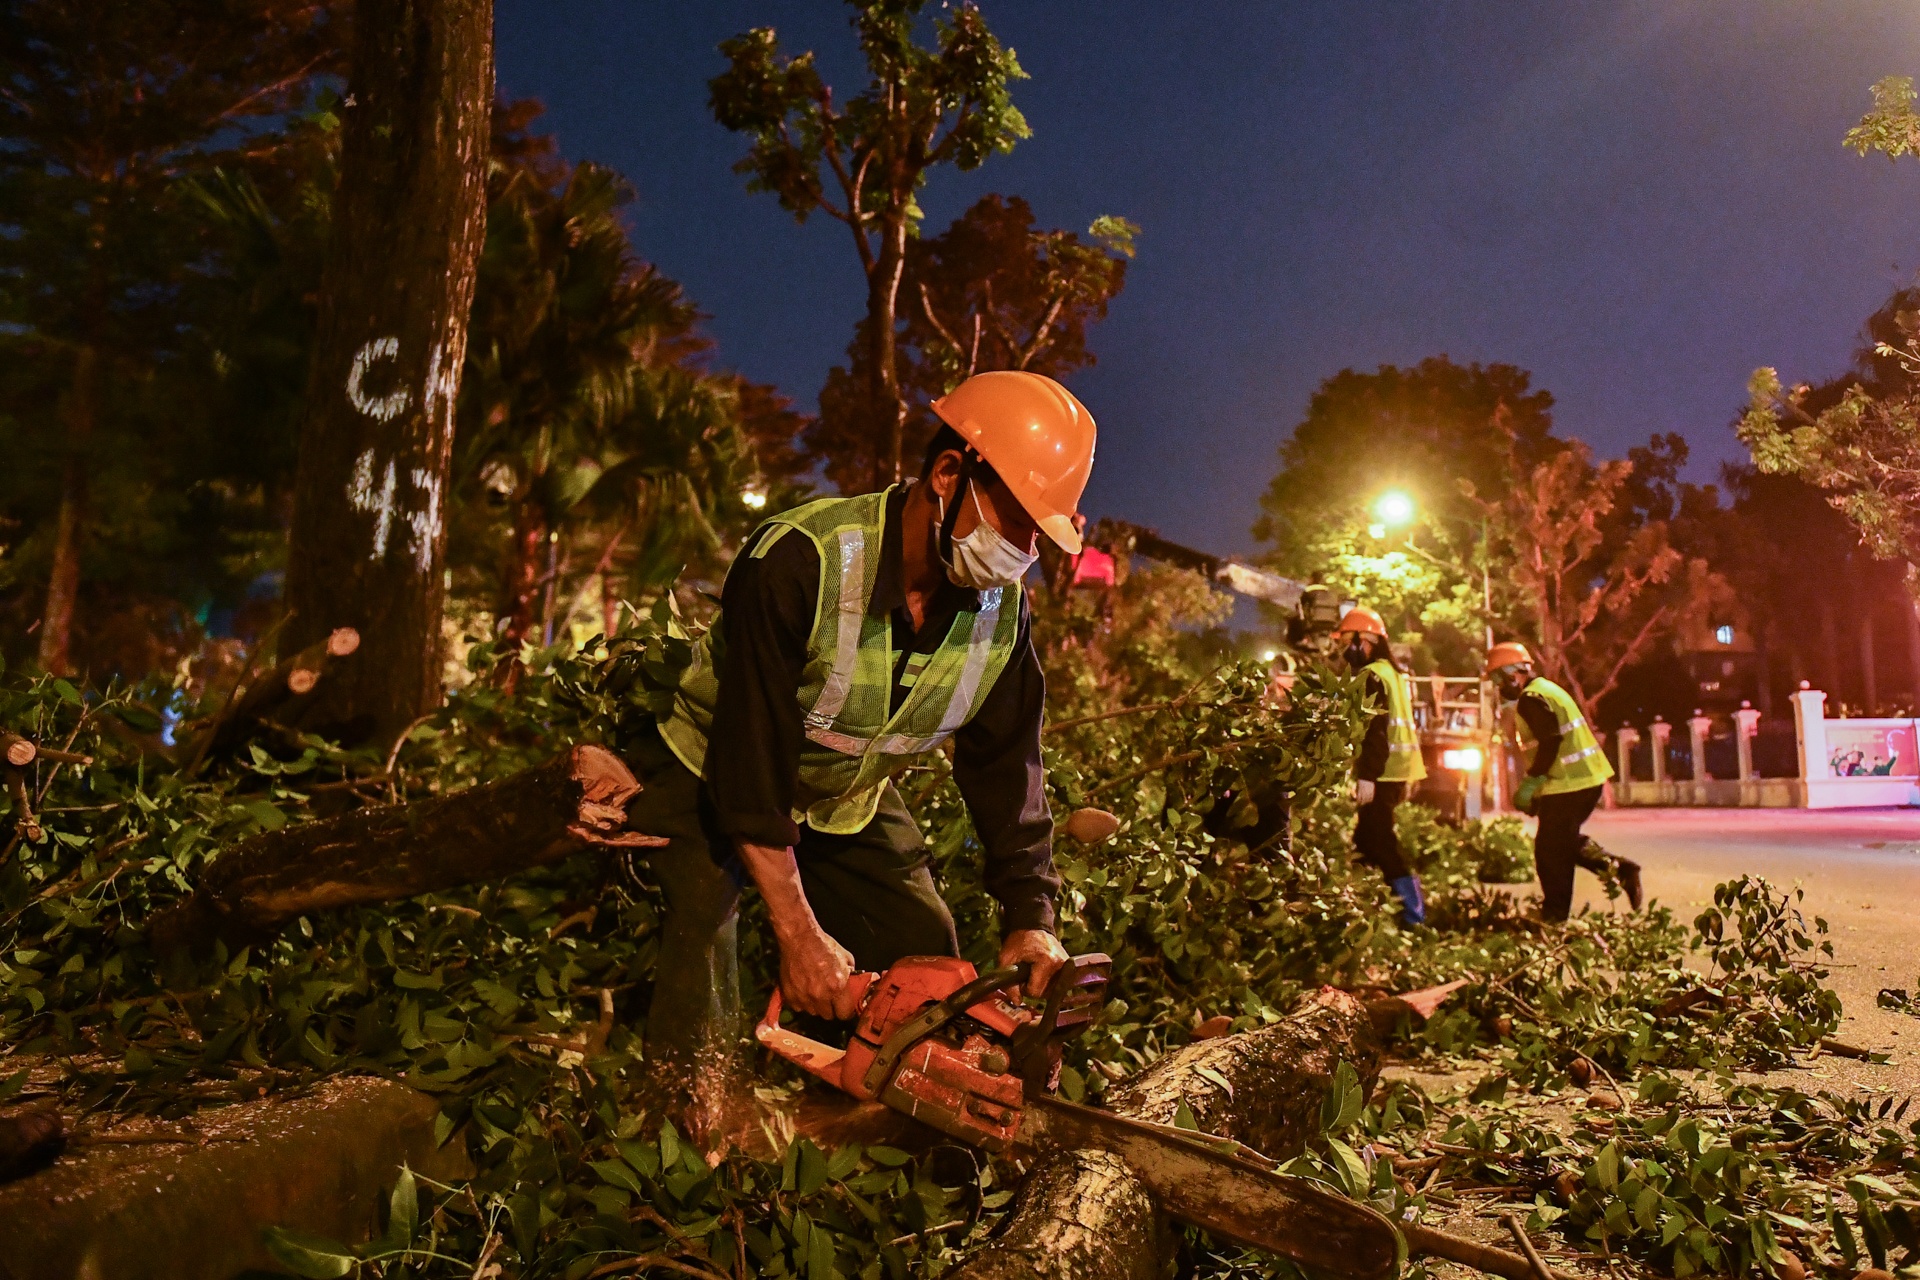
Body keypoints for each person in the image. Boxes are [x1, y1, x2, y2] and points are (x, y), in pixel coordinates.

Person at [623, 370, 1092, 1074]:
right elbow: (750, 762)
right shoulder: (800, 559)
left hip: (840, 795)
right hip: (709, 767)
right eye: (1018, 520)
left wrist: (1031, 915)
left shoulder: (1001, 615)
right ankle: (689, 1109)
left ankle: (880, 1106)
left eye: (1039, 533)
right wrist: (798, 931)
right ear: (948, 475)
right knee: (703, 934)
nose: (1025, 549)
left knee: (924, 954)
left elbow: (1006, 766)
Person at [1485, 641, 1643, 921]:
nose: (1499, 687)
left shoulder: (1531, 698)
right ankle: (1621, 870)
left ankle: (1554, 916)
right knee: (1562, 842)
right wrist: (1540, 793)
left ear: (1514, 674)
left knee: (1550, 852)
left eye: (1499, 679)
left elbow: (1551, 741)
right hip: (1582, 781)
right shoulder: (1547, 689)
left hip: (1570, 784)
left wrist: (1530, 785)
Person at [1337, 607, 1427, 926]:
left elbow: (1375, 730)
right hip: (1394, 770)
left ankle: (1414, 915)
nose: (1345, 651)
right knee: (1364, 842)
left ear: (1367, 640)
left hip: (1383, 773)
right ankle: (1366, 910)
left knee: (1382, 843)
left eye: (1348, 642)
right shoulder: (1392, 673)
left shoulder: (1372, 676)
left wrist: (1368, 776)